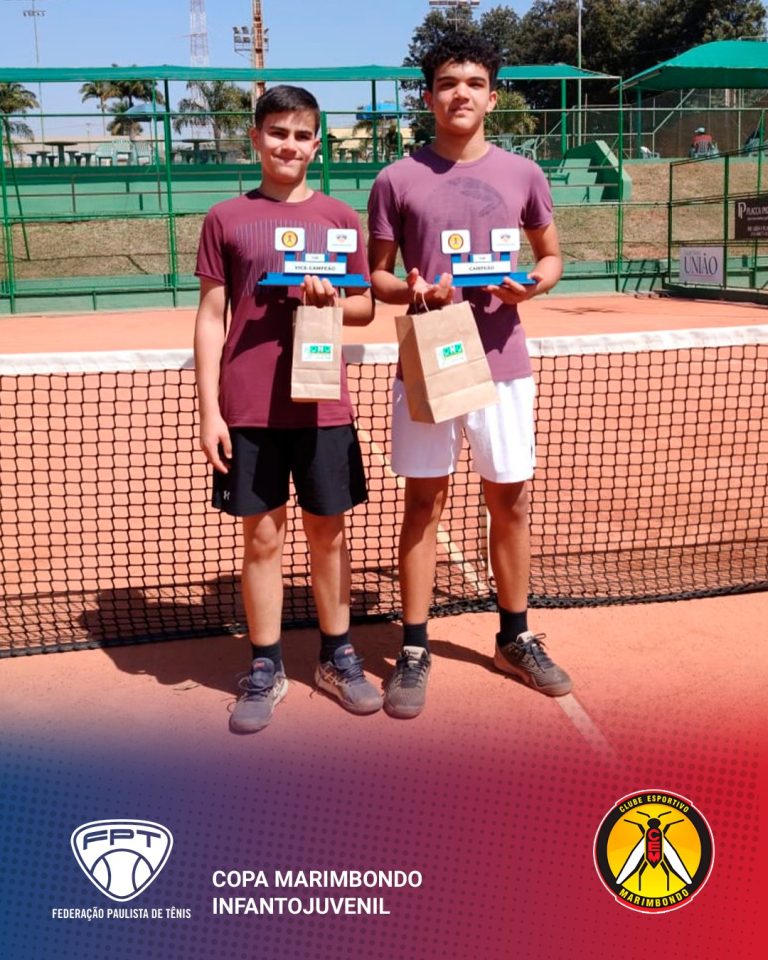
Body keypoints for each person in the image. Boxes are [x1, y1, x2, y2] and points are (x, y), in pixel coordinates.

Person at [367, 31, 572, 719]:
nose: (462, 94)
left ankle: (516, 636)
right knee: (423, 502)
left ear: (492, 96)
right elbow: (376, 276)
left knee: (509, 501)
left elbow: (550, 257)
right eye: (448, 83)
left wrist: (531, 286)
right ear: (428, 96)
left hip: (504, 362)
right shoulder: (396, 179)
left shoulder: (524, 174)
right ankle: (414, 646)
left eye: (475, 83)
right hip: (428, 358)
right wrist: (410, 287)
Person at [194, 85, 382, 733]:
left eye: (302, 135)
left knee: (329, 533)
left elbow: (365, 307)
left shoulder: (339, 217)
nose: (289, 145)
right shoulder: (225, 218)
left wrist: (331, 300)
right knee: (262, 538)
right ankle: (265, 665)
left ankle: (338, 656)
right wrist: (209, 412)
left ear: (317, 144)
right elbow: (210, 316)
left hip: (322, 403)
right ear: (255, 138)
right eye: (277, 132)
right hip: (247, 408)